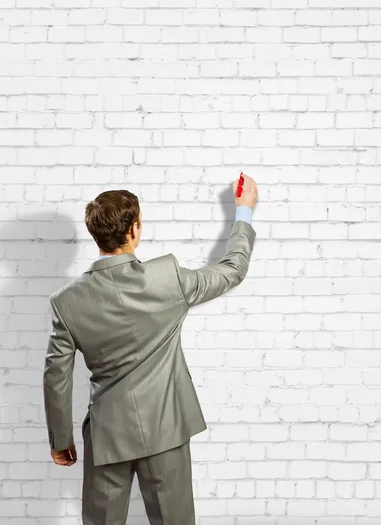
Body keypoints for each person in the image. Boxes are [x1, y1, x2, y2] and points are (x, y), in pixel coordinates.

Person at [42, 174, 258, 524]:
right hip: (167, 430)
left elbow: (56, 376)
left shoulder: (66, 302)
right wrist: (244, 211)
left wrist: (60, 438)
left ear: (95, 234)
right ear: (134, 230)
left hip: (107, 436)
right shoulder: (167, 278)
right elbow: (232, 270)